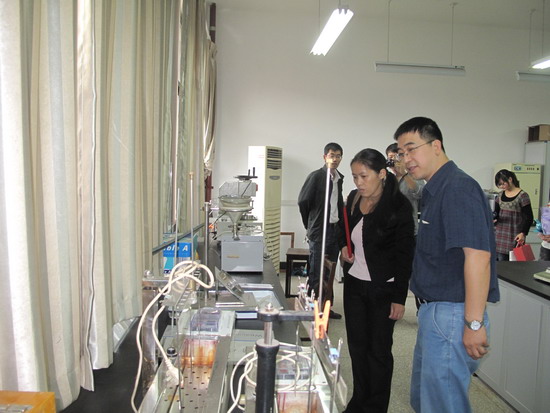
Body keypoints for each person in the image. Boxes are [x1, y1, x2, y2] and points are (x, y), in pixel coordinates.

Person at [394, 116, 500, 413]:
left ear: (436, 145)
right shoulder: (435, 189)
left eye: (411, 149)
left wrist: (473, 324)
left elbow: (478, 257)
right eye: (401, 153)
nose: (406, 159)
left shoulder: (457, 188)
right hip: (435, 313)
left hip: (453, 314)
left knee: (443, 405)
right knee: (425, 400)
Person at [339, 148, 414, 413]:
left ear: (381, 174)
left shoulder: (398, 206)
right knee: (357, 348)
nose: (358, 182)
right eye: (354, 176)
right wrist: (343, 248)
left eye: (364, 176)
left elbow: (405, 255)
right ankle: (359, 401)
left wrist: (399, 297)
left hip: (383, 288)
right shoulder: (353, 199)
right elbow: (343, 232)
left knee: (378, 351)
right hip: (354, 285)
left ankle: (375, 407)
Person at [298, 142, 344, 319]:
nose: (335, 159)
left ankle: (326, 308)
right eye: (332, 155)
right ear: (325, 157)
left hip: (334, 231)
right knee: (317, 272)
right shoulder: (316, 176)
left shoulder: (338, 178)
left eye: (338, 156)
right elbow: (303, 202)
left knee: (329, 273)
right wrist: (310, 225)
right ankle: (313, 310)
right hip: (319, 232)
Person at [493, 169, 534, 261]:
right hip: (499, 236)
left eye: (503, 183)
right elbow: (496, 213)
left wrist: (523, 233)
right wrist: (492, 218)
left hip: (515, 235)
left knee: (514, 264)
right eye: (499, 185)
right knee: (499, 264)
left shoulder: (522, 195)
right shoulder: (500, 195)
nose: (501, 186)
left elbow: (529, 217)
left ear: (510, 179)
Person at [386, 143, 425, 235]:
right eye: (390, 157)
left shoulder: (414, 175)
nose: (394, 160)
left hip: (409, 230)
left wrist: (404, 174)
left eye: (396, 157)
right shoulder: (386, 179)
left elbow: (420, 194)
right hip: (389, 231)